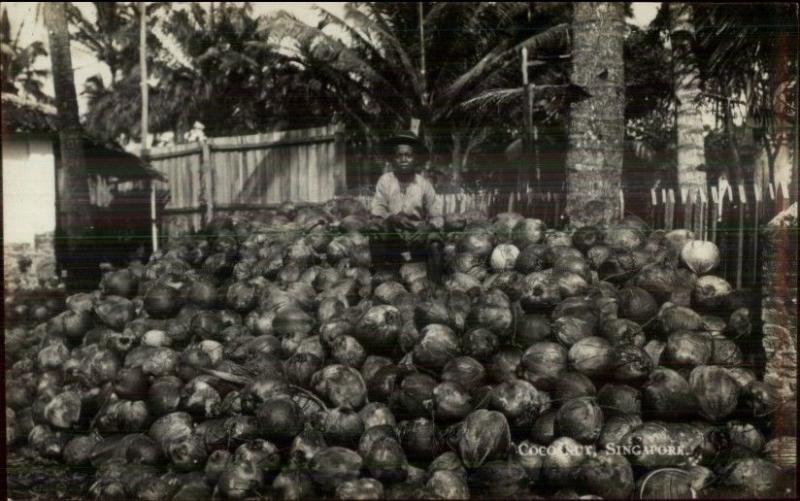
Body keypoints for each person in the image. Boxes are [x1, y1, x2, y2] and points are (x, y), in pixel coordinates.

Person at [369, 131, 445, 283]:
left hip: (416, 237)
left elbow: (438, 215)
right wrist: (392, 217)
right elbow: (377, 208)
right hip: (393, 237)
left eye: (408, 155)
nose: (404, 159)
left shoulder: (424, 184)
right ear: (393, 158)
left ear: (415, 158)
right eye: (399, 155)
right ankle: (382, 279)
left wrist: (427, 227)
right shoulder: (385, 181)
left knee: (436, 242)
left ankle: (434, 286)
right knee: (375, 230)